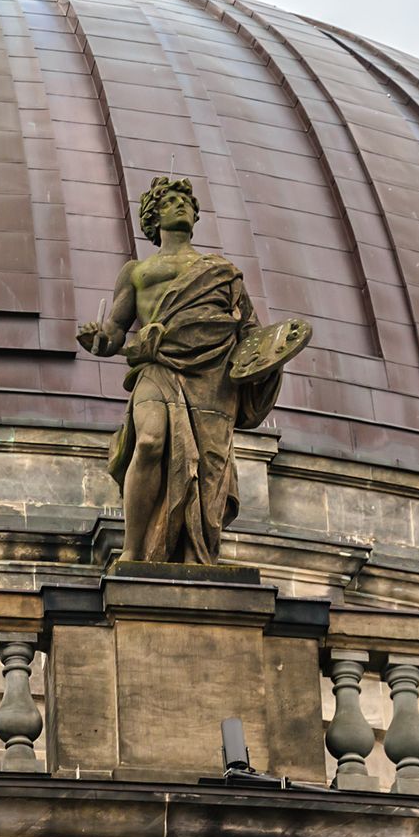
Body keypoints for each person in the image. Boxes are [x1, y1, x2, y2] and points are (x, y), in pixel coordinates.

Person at [76, 177, 295, 565]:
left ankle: (199, 555)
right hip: (156, 367)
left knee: (209, 467)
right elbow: (114, 330)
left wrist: (269, 363)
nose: (180, 207)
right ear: (153, 216)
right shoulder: (136, 272)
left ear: (195, 216)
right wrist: (99, 339)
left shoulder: (223, 272)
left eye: (185, 203)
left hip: (211, 377)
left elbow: (251, 337)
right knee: (149, 442)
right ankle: (134, 549)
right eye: (170, 201)